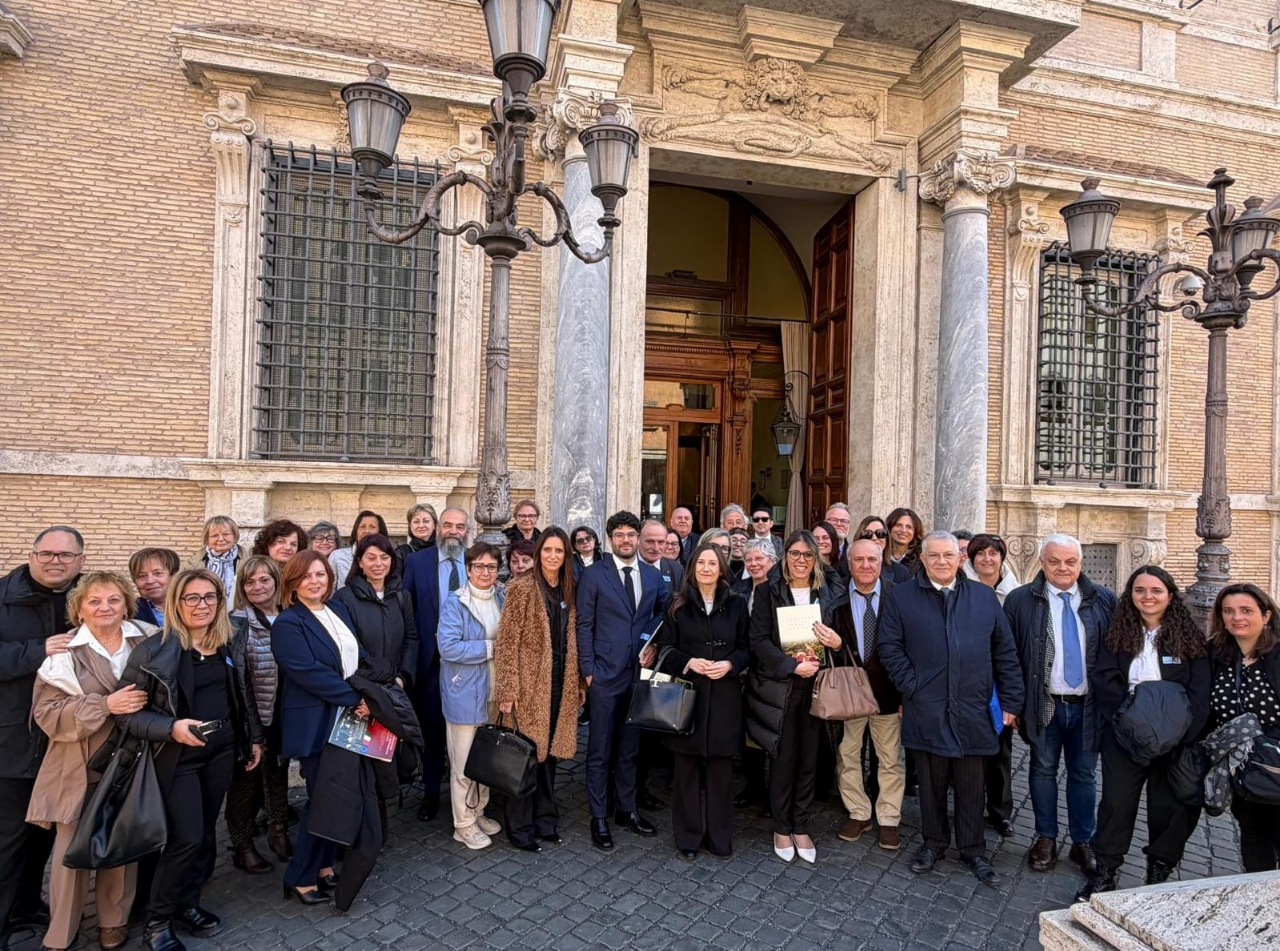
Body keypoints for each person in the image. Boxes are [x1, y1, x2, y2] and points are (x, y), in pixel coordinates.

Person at [115, 568, 263, 951]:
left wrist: (253, 738)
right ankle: (157, 922)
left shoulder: (229, 639)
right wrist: (171, 728)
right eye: (192, 598)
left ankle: (187, 903)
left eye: (210, 597)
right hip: (178, 757)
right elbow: (127, 716)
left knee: (206, 834)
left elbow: (242, 692)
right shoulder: (154, 651)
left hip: (222, 751)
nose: (202, 605)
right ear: (176, 602)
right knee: (186, 838)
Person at [877, 531, 1023, 887]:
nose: (941, 561)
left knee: (972, 784)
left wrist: (1011, 700)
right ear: (923, 559)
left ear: (960, 559)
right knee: (931, 782)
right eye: (934, 555)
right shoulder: (901, 597)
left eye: (948, 555)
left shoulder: (983, 597)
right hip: (926, 706)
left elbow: (1004, 651)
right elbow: (889, 648)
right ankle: (934, 843)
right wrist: (913, 685)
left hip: (973, 706)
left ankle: (973, 850)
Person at [27, 571, 150, 951]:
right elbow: (47, 713)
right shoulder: (64, 654)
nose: (104, 608)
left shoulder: (147, 640)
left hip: (130, 758)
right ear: (79, 610)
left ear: (126, 606)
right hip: (76, 761)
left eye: (113, 600)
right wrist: (105, 705)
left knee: (120, 840)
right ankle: (61, 931)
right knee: (70, 849)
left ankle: (114, 920)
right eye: (94, 601)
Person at [1077, 565, 1210, 901]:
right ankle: (1106, 871)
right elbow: (1105, 679)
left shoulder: (1190, 637)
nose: (1147, 597)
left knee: (1169, 808)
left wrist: (1182, 734)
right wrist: (1126, 722)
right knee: (1116, 804)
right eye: (1140, 590)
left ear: (1170, 596)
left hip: (1174, 740)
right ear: (1130, 595)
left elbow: (1200, 692)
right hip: (1126, 737)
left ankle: (1158, 871)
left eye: (1156, 591)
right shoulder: (1118, 634)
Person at [1004, 533, 1115, 875]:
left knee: (1084, 774)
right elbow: (1008, 656)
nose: (1062, 568)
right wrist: (1014, 703)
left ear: (1081, 563)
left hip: (1088, 706)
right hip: (1043, 703)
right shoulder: (1020, 600)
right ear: (1042, 563)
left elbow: (1116, 653)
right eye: (1054, 561)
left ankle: (1083, 841)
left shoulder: (1104, 600)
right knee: (1042, 770)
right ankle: (1045, 838)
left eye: (1070, 561)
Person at [0, 525, 83, 949]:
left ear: (80, 560)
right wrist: (38, 649)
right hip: (12, 739)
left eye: (66, 555)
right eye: (47, 553)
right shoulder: (3, 597)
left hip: (63, 742)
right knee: (8, 839)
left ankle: (27, 905)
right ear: (32, 556)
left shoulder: (86, 597)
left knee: (43, 833)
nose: (56, 561)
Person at [747, 530, 850, 865]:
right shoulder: (768, 591)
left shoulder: (830, 591)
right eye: (795, 553)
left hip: (820, 687)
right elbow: (758, 640)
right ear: (785, 556)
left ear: (816, 558)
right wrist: (791, 666)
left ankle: (801, 825)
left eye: (808, 555)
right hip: (782, 687)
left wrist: (836, 643)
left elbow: (844, 637)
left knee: (810, 757)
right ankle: (781, 826)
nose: (801, 560)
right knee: (783, 757)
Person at [271, 552, 364, 908]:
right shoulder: (288, 623)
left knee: (335, 799)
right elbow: (308, 672)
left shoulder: (335, 611)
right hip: (316, 722)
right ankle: (300, 876)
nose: (315, 581)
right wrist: (357, 697)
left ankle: (323, 865)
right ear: (292, 583)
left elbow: (355, 656)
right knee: (322, 801)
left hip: (345, 719)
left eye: (320, 574)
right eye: (306, 576)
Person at [576, 511, 669, 850]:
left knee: (630, 747)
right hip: (604, 673)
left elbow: (664, 613)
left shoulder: (653, 576)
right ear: (610, 539)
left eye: (631, 534)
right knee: (599, 749)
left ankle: (626, 809)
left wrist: (655, 643)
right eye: (620, 535)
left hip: (638, 674)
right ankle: (599, 815)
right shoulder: (593, 575)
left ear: (638, 538)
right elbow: (583, 623)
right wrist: (588, 670)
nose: (626, 540)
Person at [653, 543, 750, 860]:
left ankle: (720, 838)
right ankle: (689, 838)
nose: (706, 569)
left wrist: (731, 663)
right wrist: (689, 662)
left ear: (722, 569)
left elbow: (747, 648)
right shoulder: (676, 604)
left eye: (712, 563)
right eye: (701, 563)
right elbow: (665, 648)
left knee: (722, 772)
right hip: (687, 695)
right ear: (692, 568)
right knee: (687, 771)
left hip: (725, 697)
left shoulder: (737, 605)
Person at [494, 529, 582, 852]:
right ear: (539, 553)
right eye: (547, 550)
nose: (553, 556)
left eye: (559, 551)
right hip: (529, 685)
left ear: (566, 555)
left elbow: (574, 639)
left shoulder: (570, 588)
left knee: (550, 756)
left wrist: (578, 683)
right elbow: (506, 642)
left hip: (560, 681)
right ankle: (520, 827)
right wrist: (507, 688)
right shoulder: (521, 587)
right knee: (526, 756)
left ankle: (546, 820)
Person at [333, 534, 419, 838]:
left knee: (384, 758)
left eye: (384, 557)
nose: (378, 563)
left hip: (393, 689)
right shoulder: (344, 598)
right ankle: (361, 830)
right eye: (371, 557)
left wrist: (402, 676)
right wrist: (370, 686)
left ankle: (378, 827)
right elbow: (347, 646)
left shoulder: (401, 595)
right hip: (362, 693)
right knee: (359, 762)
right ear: (359, 562)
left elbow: (411, 638)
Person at [402, 506, 471, 823]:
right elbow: (407, 612)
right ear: (438, 529)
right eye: (448, 525)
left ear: (467, 531)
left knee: (467, 731)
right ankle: (430, 791)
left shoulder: (477, 561)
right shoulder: (417, 563)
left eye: (460, 526)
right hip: (430, 661)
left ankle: (467, 793)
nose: (453, 531)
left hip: (469, 664)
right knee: (431, 729)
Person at [834, 539, 903, 851]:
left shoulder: (898, 596)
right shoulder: (836, 598)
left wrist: (905, 695)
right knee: (848, 755)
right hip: (849, 694)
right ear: (849, 563)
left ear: (880, 562)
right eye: (858, 560)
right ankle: (858, 812)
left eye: (871, 560)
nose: (865, 565)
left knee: (890, 759)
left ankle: (888, 818)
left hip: (888, 693)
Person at [436, 542, 505, 850]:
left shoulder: (502, 597)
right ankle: (462, 824)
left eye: (491, 567)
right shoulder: (456, 602)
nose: (485, 572)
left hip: (493, 690)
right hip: (463, 691)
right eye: (478, 566)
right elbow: (448, 647)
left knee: (484, 759)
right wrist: (491, 648)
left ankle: (478, 812)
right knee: (463, 763)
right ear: (468, 569)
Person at [225, 555, 291, 875]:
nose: (258, 587)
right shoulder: (236, 623)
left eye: (264, 580)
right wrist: (250, 726)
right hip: (250, 713)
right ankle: (241, 843)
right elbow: (238, 677)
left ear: (276, 582)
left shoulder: (290, 616)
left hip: (284, 710)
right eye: (250, 582)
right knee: (246, 779)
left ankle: (279, 829)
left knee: (278, 771)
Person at [1208, 583, 1280, 872]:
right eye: (1229, 611)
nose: (1237, 617)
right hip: (1240, 769)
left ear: (1266, 615)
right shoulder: (1217, 655)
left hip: (1275, 765)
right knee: (1252, 836)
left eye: (1246, 610)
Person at [733, 538, 778, 813]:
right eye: (748, 560)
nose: (753, 564)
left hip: (772, 672)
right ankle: (753, 787)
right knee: (750, 732)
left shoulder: (781, 589)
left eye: (759, 559)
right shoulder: (739, 589)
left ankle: (775, 793)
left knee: (772, 733)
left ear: (773, 560)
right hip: (745, 670)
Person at [329, 511, 389, 591]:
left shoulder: (388, 558)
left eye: (372, 527)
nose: (367, 531)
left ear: (380, 532)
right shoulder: (337, 556)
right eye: (362, 527)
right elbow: (329, 590)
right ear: (356, 532)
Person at [130, 547, 180, 628]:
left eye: (158, 573)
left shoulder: (191, 606)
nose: (150, 581)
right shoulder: (130, 612)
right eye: (142, 576)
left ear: (173, 575)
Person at [855, 515, 910, 584]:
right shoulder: (845, 567)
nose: (874, 538)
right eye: (868, 534)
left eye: (880, 533)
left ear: (887, 538)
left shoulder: (902, 572)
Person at [639, 517, 684, 592]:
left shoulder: (677, 569)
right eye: (650, 541)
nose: (656, 548)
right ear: (638, 539)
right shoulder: (627, 567)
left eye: (661, 542)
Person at [200, 517, 241, 597]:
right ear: (207, 540)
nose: (221, 539)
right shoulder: (194, 564)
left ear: (235, 537)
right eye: (214, 535)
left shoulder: (248, 562)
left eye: (226, 534)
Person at [394, 503, 437, 579]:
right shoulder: (401, 553)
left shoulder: (442, 550)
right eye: (416, 522)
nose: (421, 525)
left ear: (435, 524)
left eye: (426, 521)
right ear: (410, 526)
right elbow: (395, 582)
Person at [885, 507, 924, 572]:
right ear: (889, 528)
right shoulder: (879, 555)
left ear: (915, 532)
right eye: (898, 525)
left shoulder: (921, 559)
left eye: (909, 527)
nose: (903, 530)